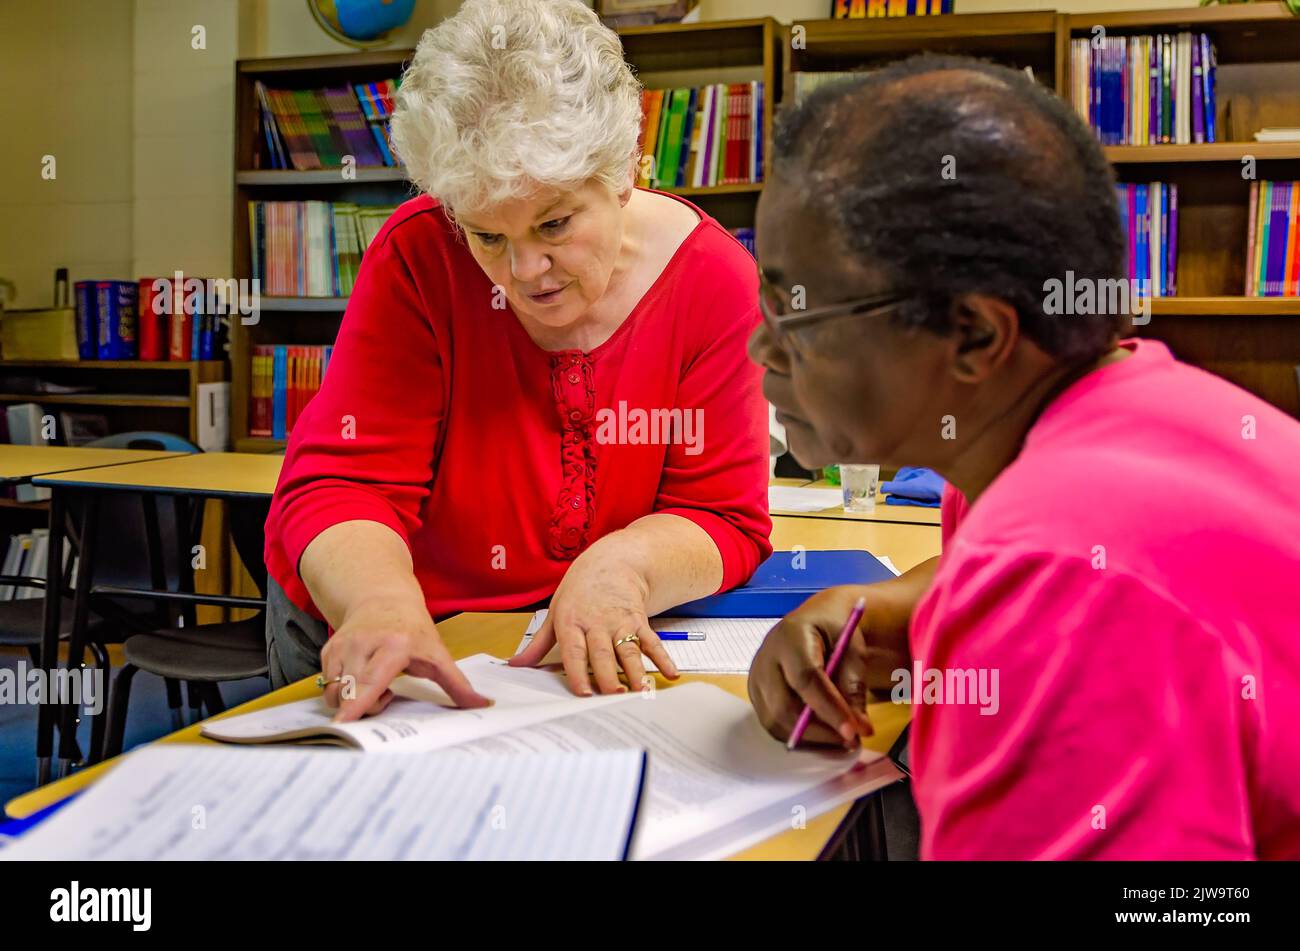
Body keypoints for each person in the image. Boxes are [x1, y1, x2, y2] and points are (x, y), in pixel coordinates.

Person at [746, 56, 1300, 859]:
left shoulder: (1054, 568)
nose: (764, 344)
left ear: (973, 334)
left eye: (796, 307)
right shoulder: (1107, 422)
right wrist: (883, 613)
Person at [263, 0, 771, 718]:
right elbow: (343, 484)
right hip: (397, 623)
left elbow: (722, 514)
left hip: (573, 637)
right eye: (487, 236)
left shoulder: (714, 280)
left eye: (554, 223)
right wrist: (380, 600)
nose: (526, 271)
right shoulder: (418, 256)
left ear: (625, 169)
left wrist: (621, 565)